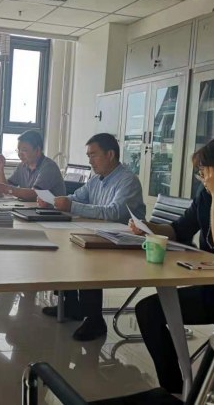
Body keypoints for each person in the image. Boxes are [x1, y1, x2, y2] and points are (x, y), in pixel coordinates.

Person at [133, 137, 214, 401]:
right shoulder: (206, 196)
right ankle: (173, 388)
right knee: (148, 310)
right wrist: (148, 228)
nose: (202, 178)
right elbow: (179, 229)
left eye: (205, 171)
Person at [41, 133, 146, 342]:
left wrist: (71, 206)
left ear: (110, 154)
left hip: (126, 242)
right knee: (62, 245)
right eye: (88, 156)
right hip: (101, 237)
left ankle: (95, 319)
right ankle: (71, 304)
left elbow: (114, 212)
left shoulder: (128, 180)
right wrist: (55, 201)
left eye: (93, 155)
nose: (90, 161)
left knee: (85, 257)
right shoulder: (96, 180)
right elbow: (76, 198)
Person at [0, 130, 65, 200]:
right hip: (31, 207)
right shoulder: (22, 166)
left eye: (24, 150)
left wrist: (7, 189)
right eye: (19, 150)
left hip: (51, 210)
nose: (20, 154)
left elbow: (34, 194)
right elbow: (5, 188)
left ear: (37, 150)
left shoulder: (49, 167)